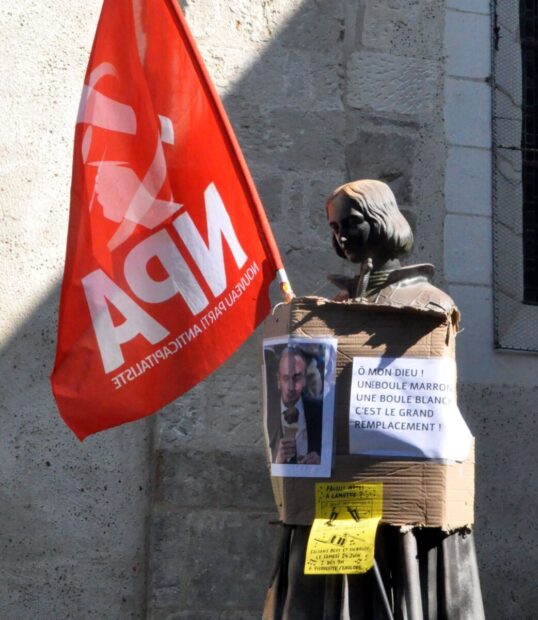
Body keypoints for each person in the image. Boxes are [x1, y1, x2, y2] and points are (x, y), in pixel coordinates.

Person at [263, 180, 484, 620]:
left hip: (401, 510)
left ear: (382, 220)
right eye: (333, 228)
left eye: (351, 222)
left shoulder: (428, 303)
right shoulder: (336, 308)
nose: (340, 236)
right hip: (338, 505)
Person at [267, 347, 322, 465]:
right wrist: (278, 461)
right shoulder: (268, 414)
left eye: (296, 377)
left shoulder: (320, 411)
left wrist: (320, 461)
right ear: (278, 380)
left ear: (305, 379)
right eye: (286, 378)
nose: (291, 387)